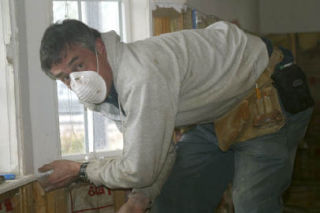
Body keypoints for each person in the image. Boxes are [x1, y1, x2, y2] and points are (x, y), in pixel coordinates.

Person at [38, 19, 313, 213]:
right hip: (215, 113)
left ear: (99, 47)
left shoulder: (140, 76)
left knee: (252, 205)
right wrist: (140, 199)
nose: (77, 81)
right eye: (64, 77)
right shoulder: (108, 95)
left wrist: (79, 170)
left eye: (79, 65)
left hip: (265, 93)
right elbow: (157, 149)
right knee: (174, 201)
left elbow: (138, 169)